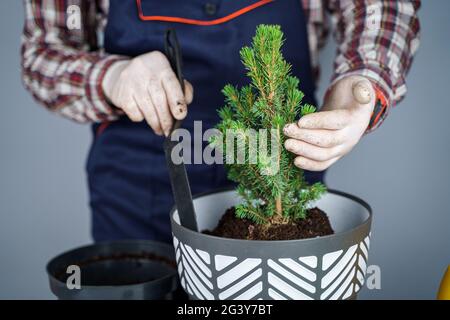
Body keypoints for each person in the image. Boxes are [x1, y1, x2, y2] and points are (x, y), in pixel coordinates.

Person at [21, 0, 420, 243]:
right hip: (137, 184)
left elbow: (379, 6)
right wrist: (112, 77)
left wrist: (362, 79)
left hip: (276, 160)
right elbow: (45, 49)